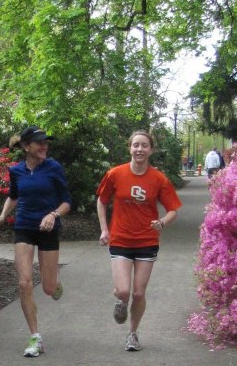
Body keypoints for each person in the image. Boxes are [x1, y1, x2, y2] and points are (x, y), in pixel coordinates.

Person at [97, 130, 182, 352]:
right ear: (130, 148)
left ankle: (132, 334)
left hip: (146, 240)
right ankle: (121, 302)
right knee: (124, 291)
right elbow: (102, 200)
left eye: (144, 146)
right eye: (136, 145)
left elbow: (173, 209)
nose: (140, 149)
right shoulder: (115, 174)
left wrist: (162, 222)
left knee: (139, 293)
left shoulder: (158, 179)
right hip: (120, 239)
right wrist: (104, 229)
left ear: (151, 150)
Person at [0, 126, 71, 358]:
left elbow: (66, 202)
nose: (44, 146)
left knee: (47, 288)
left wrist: (53, 214)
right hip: (24, 227)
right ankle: (35, 337)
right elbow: (14, 195)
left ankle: (55, 281)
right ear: (27, 146)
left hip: (48, 228)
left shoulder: (54, 168)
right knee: (24, 283)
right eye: (39, 142)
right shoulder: (16, 171)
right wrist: (4, 215)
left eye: (46, 142)